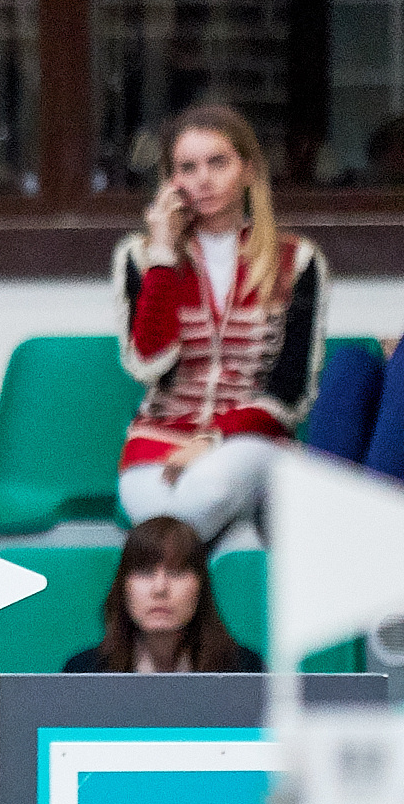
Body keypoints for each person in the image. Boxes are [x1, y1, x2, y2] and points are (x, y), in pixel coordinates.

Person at [115, 103, 325, 542]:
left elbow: (291, 391)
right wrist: (163, 256)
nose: (202, 179)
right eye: (187, 168)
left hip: (248, 442)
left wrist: (212, 440)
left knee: (200, 501)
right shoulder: (141, 256)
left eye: (218, 162)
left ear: (248, 170)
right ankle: (240, 543)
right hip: (158, 441)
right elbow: (147, 364)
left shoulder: (297, 260)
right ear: (171, 182)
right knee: (160, 517)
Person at [63, 517, 263, 674]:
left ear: (200, 587)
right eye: (145, 572)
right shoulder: (83, 672)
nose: (160, 588)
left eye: (176, 573)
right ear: (124, 588)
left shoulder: (246, 671)